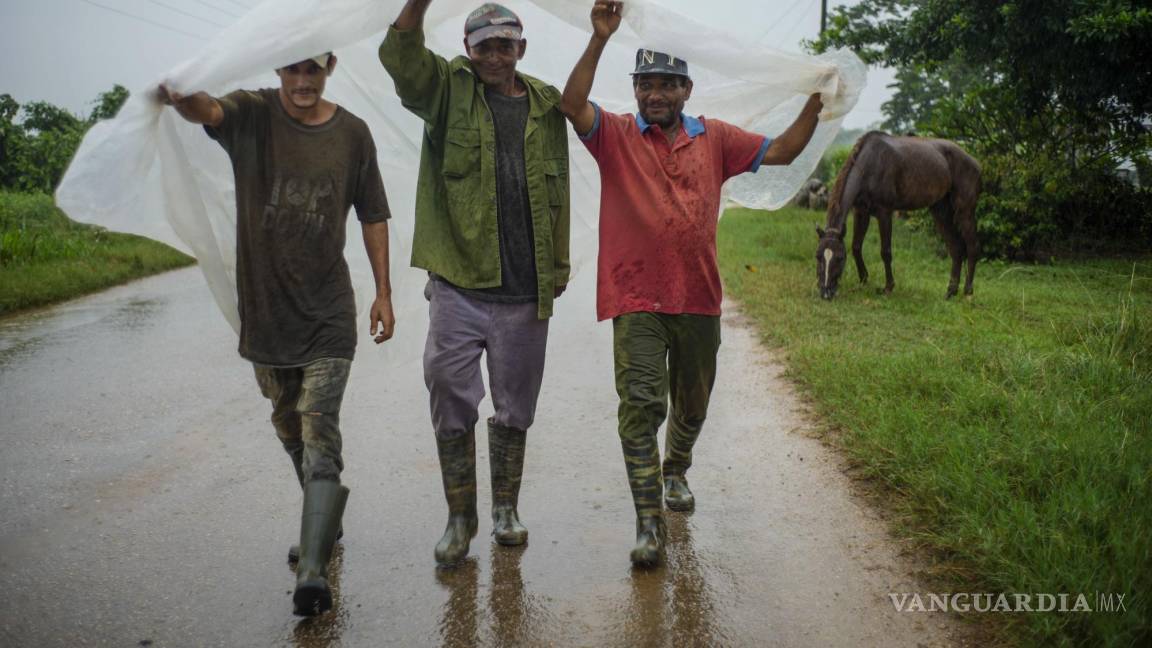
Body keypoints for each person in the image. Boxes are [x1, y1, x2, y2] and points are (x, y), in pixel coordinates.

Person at [560, 0, 826, 566]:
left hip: (698, 297)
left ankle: (675, 468)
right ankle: (649, 521)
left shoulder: (716, 140)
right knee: (639, 405)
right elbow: (571, 103)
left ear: (686, 89)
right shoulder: (614, 135)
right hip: (634, 297)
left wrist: (816, 102)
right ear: (634, 90)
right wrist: (600, 38)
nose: (655, 94)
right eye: (646, 84)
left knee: (693, 401)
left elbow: (782, 150)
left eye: (666, 84)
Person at [156, 52, 395, 614]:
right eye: (293, 69)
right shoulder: (252, 113)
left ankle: (312, 570)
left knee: (318, 429)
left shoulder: (353, 134)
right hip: (266, 314)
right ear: (278, 71)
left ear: (331, 66)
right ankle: (324, 527)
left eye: (313, 69)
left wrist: (383, 292)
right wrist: (175, 90)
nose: (303, 80)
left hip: (328, 314)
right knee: (289, 426)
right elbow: (205, 109)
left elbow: (374, 214)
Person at [379, 1, 571, 565]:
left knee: (516, 407)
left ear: (521, 49)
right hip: (460, 282)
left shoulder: (546, 105)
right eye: (482, 45)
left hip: (524, 289)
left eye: (503, 45)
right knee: (447, 389)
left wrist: (556, 269)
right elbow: (402, 59)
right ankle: (460, 517)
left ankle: (505, 510)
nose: (493, 55)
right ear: (468, 49)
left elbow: (559, 197)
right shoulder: (446, 90)